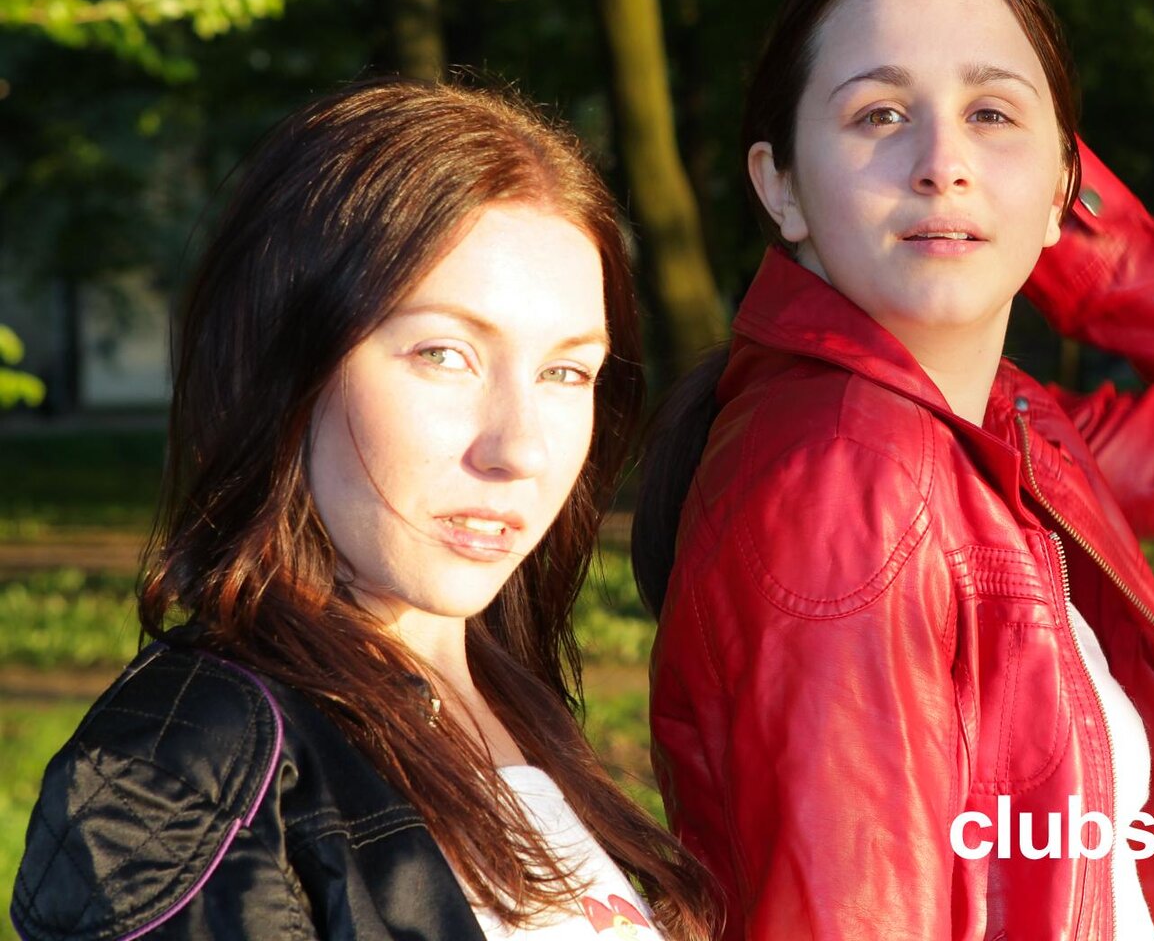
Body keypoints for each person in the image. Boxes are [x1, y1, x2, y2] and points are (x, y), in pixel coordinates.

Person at [631, 0, 1154, 940]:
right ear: (779, 185)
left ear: (1066, 183)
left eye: (990, 115)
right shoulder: (850, 470)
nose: (943, 164)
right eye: (880, 115)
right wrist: (1018, 176)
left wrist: (1042, 202)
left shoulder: (1002, 437)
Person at [12, 79, 717, 941]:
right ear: (286, 367)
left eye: (566, 372)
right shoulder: (185, 772)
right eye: (444, 354)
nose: (521, 449)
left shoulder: (515, 707)